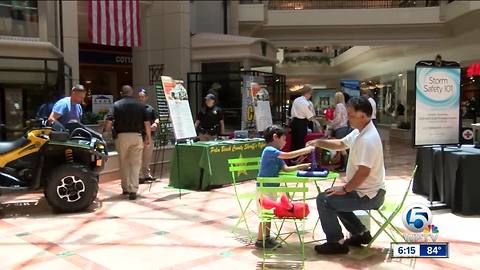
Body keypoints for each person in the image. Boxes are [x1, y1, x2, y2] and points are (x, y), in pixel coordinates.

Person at [306, 96, 385, 255]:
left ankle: (335, 242)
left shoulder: (368, 139)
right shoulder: (360, 132)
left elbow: (364, 172)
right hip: (364, 191)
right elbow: (341, 143)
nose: (348, 118)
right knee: (333, 196)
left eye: (350, 114)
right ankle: (360, 233)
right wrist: (318, 142)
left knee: (324, 200)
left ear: (363, 115)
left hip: (370, 195)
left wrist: (346, 189)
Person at [255, 125, 315, 249]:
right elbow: (288, 155)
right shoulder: (269, 150)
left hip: (272, 188)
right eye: (284, 139)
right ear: (275, 137)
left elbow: (286, 168)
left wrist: (300, 166)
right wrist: (306, 150)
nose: (285, 142)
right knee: (265, 214)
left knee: (269, 214)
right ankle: (260, 240)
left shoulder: (276, 155)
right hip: (264, 188)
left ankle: (266, 238)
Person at [103, 85, 151, 200]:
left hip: (121, 136)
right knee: (135, 164)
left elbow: (109, 120)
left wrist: (105, 132)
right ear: (132, 92)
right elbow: (147, 123)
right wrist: (148, 137)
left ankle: (125, 188)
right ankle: (133, 190)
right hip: (137, 136)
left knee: (123, 162)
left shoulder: (116, 105)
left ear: (121, 93)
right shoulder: (140, 105)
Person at [138, 88, 160, 183]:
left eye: (142, 97)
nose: (141, 99)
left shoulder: (150, 109)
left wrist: (155, 123)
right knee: (138, 157)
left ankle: (146, 174)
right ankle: (139, 176)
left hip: (149, 136)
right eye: (139, 97)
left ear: (146, 97)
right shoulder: (136, 108)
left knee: (147, 157)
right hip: (139, 136)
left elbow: (157, 119)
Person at [290, 85, 320, 152]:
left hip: (294, 122)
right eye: (311, 94)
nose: (311, 95)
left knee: (294, 142)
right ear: (308, 92)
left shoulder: (297, 100)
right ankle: (298, 159)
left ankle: (293, 159)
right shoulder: (305, 103)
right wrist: (317, 123)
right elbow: (310, 117)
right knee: (300, 143)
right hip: (301, 123)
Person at [330, 92, 349, 172]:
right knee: (343, 148)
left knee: (342, 148)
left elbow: (337, 118)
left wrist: (332, 123)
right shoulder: (344, 106)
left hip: (339, 128)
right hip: (344, 127)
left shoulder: (338, 106)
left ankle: (344, 166)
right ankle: (343, 165)